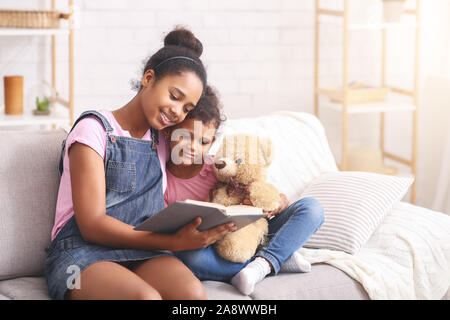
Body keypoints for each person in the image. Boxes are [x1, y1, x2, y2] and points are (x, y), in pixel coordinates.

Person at [44, 27, 236, 300]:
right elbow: (92, 225)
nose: (177, 111)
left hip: (144, 251)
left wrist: (242, 188)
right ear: (149, 78)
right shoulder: (93, 130)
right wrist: (172, 243)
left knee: (193, 294)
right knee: (145, 298)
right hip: (78, 255)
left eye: (186, 108)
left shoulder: (164, 138)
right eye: (174, 96)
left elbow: (203, 154)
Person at [163, 86, 325, 295]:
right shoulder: (163, 178)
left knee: (312, 208)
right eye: (185, 136)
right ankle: (275, 258)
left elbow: (271, 195)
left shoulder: (219, 167)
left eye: (203, 142)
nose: (193, 147)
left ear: (212, 143)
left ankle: (265, 262)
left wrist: (277, 204)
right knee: (189, 256)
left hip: (258, 233)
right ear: (169, 132)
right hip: (217, 247)